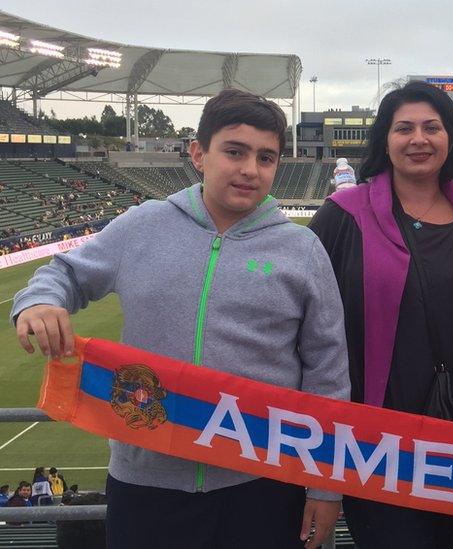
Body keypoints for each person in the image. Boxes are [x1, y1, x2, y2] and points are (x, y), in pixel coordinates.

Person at [11, 88, 350, 549]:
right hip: (146, 481)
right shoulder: (142, 225)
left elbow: (327, 373)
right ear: (198, 153)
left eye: (266, 158)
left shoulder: (302, 249)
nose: (250, 169)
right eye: (235, 152)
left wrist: (325, 485)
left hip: (263, 483)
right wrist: (39, 301)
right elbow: (64, 273)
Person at [307, 81, 453, 549]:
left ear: (450, 138)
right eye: (404, 128)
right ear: (385, 140)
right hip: (375, 444)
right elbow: (299, 309)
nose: (419, 139)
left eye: (432, 127)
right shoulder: (343, 214)